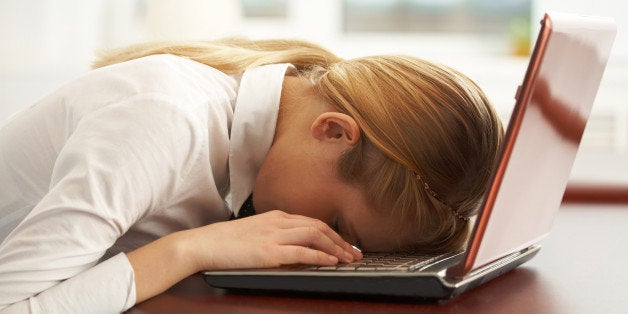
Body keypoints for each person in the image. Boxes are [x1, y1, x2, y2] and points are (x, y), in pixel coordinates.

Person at [0, 38, 503, 312]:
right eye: (338, 222)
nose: (332, 245)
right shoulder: (166, 121)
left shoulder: (249, 134)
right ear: (332, 131)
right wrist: (191, 249)